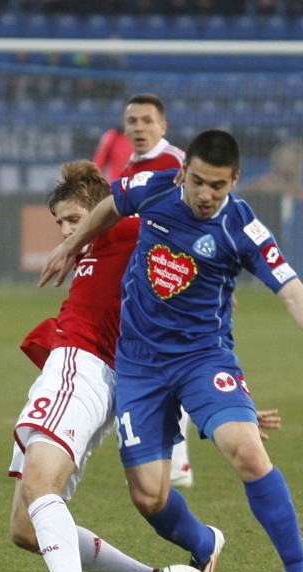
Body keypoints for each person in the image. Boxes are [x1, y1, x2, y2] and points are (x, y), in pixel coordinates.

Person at [40, 129, 303, 572]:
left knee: (248, 451)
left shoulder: (241, 227)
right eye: (199, 182)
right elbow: (110, 207)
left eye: (219, 186)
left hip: (203, 360)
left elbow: (292, 291)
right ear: (184, 170)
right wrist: (72, 245)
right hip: (140, 366)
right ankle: (205, 542)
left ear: (235, 181)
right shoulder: (155, 186)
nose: (207, 195)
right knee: (148, 496)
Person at [9, 160, 158, 572]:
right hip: (84, 372)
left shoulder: (128, 231)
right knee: (27, 529)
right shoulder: (94, 251)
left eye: (75, 219)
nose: (68, 231)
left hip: (82, 366)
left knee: (40, 486)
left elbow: (174, 227)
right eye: (61, 224)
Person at [116, 93, 194, 487]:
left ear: (163, 127)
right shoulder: (134, 165)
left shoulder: (175, 162)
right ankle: (173, 457)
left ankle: (177, 458)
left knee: (171, 360)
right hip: (149, 282)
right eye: (133, 121)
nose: (139, 128)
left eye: (147, 121)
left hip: (178, 281)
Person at [238, 139, 303, 202]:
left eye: (301, 161)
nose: (296, 163)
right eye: (292, 159)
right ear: (277, 158)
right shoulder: (257, 187)